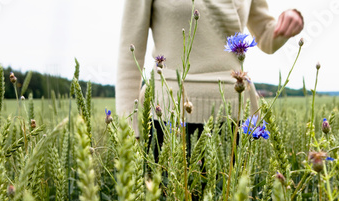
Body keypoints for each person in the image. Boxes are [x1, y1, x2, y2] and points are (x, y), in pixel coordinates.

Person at [116, 0, 304, 138]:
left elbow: (266, 36)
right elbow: (129, 53)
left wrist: (291, 21)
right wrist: (128, 128)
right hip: (167, 119)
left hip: (235, 117)